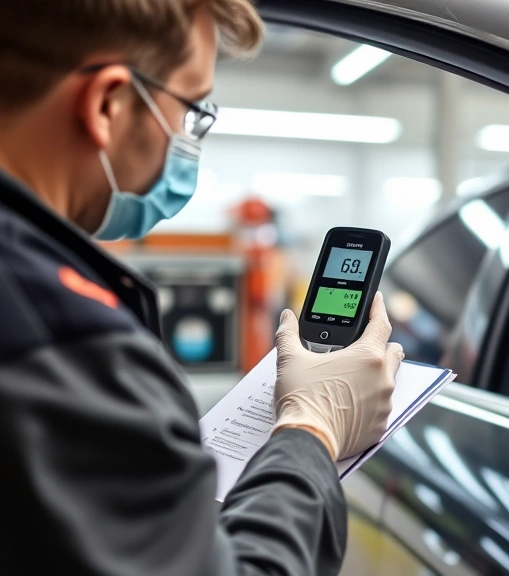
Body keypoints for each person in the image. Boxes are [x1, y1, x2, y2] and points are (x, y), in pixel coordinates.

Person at [0, 1, 404, 574]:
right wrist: (311, 430)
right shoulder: (55, 338)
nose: (191, 140)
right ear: (108, 105)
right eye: (193, 111)